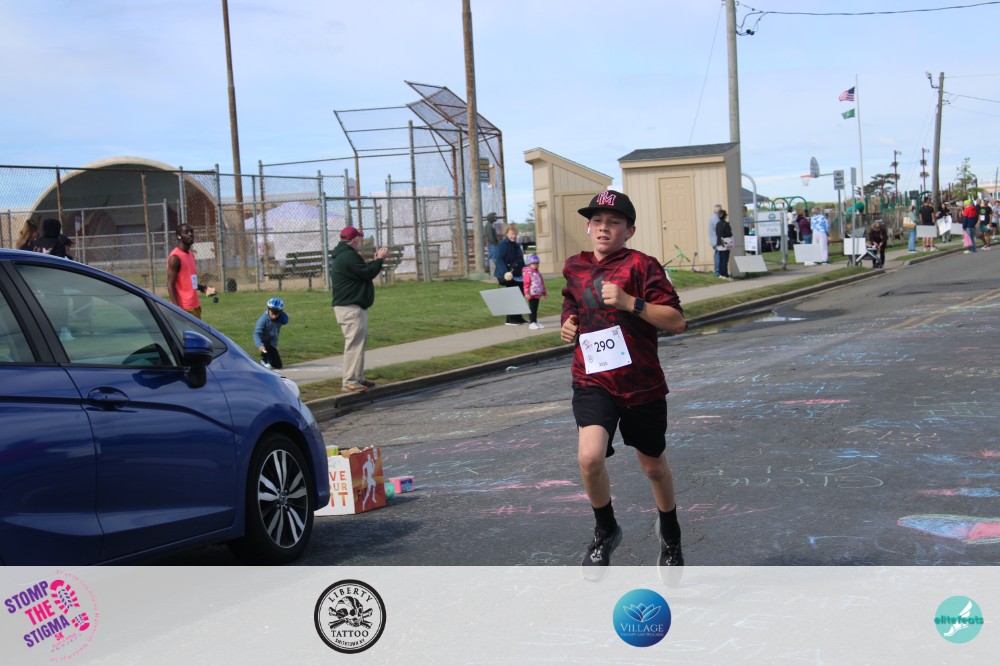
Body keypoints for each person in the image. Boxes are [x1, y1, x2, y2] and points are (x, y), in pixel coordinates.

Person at [560, 189, 687, 574]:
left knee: (653, 467)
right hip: (592, 378)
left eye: (614, 222)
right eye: (597, 221)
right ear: (588, 227)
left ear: (629, 230)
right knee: (589, 457)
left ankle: (670, 532)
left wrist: (633, 303)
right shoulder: (575, 266)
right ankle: (606, 529)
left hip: (640, 384)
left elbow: (676, 321)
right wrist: (568, 321)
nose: (604, 228)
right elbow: (572, 301)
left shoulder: (643, 266)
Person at [331, 225, 388, 393]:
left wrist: (375, 262)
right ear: (354, 240)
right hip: (350, 308)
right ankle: (349, 381)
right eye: (359, 238)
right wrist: (379, 260)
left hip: (351, 307)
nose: (360, 242)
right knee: (354, 345)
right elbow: (367, 273)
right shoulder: (348, 255)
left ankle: (358, 377)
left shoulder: (344, 255)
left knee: (358, 344)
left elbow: (361, 271)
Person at [167, 223, 215, 319]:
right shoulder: (175, 258)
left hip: (195, 306)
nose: (190, 234)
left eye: (191, 232)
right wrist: (177, 309)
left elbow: (191, 283)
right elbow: (170, 285)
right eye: (186, 232)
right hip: (183, 308)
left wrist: (205, 288)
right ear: (179, 236)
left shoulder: (191, 254)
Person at [494, 223, 527, 325]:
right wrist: (505, 272)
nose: (513, 236)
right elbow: (499, 259)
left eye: (515, 234)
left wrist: (525, 271)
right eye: (511, 234)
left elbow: (520, 259)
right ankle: (511, 319)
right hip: (508, 274)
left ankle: (518, 317)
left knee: (520, 295)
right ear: (507, 234)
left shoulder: (517, 245)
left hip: (518, 274)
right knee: (512, 296)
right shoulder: (503, 245)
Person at [253, 297, 289, 370]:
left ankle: (269, 358)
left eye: (276, 313)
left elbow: (285, 320)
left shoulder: (280, 318)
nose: (274, 316)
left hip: (271, 343)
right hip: (263, 342)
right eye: (272, 313)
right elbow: (256, 334)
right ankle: (264, 359)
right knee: (265, 353)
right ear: (268, 310)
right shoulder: (263, 320)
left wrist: (279, 311)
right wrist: (260, 345)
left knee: (278, 365)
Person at [521, 253, 548, 329]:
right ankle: (532, 322)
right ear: (529, 264)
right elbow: (526, 284)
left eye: (536, 263)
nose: (535, 265)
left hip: (537, 294)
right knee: (532, 308)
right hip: (531, 294)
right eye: (533, 264)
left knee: (535, 308)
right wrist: (526, 293)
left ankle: (535, 321)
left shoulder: (537, 273)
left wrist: (544, 292)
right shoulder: (528, 273)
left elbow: (541, 283)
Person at [715, 209, 733, 280]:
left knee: (721, 259)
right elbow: (729, 234)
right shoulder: (726, 224)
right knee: (725, 260)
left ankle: (721, 274)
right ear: (725, 216)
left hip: (719, 243)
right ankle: (725, 275)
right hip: (725, 243)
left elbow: (717, 234)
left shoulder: (717, 224)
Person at [707, 204, 722, 276]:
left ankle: (718, 271)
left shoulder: (714, 218)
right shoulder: (715, 218)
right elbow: (720, 229)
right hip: (716, 240)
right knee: (718, 255)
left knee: (717, 254)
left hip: (715, 240)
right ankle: (717, 272)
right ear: (719, 211)